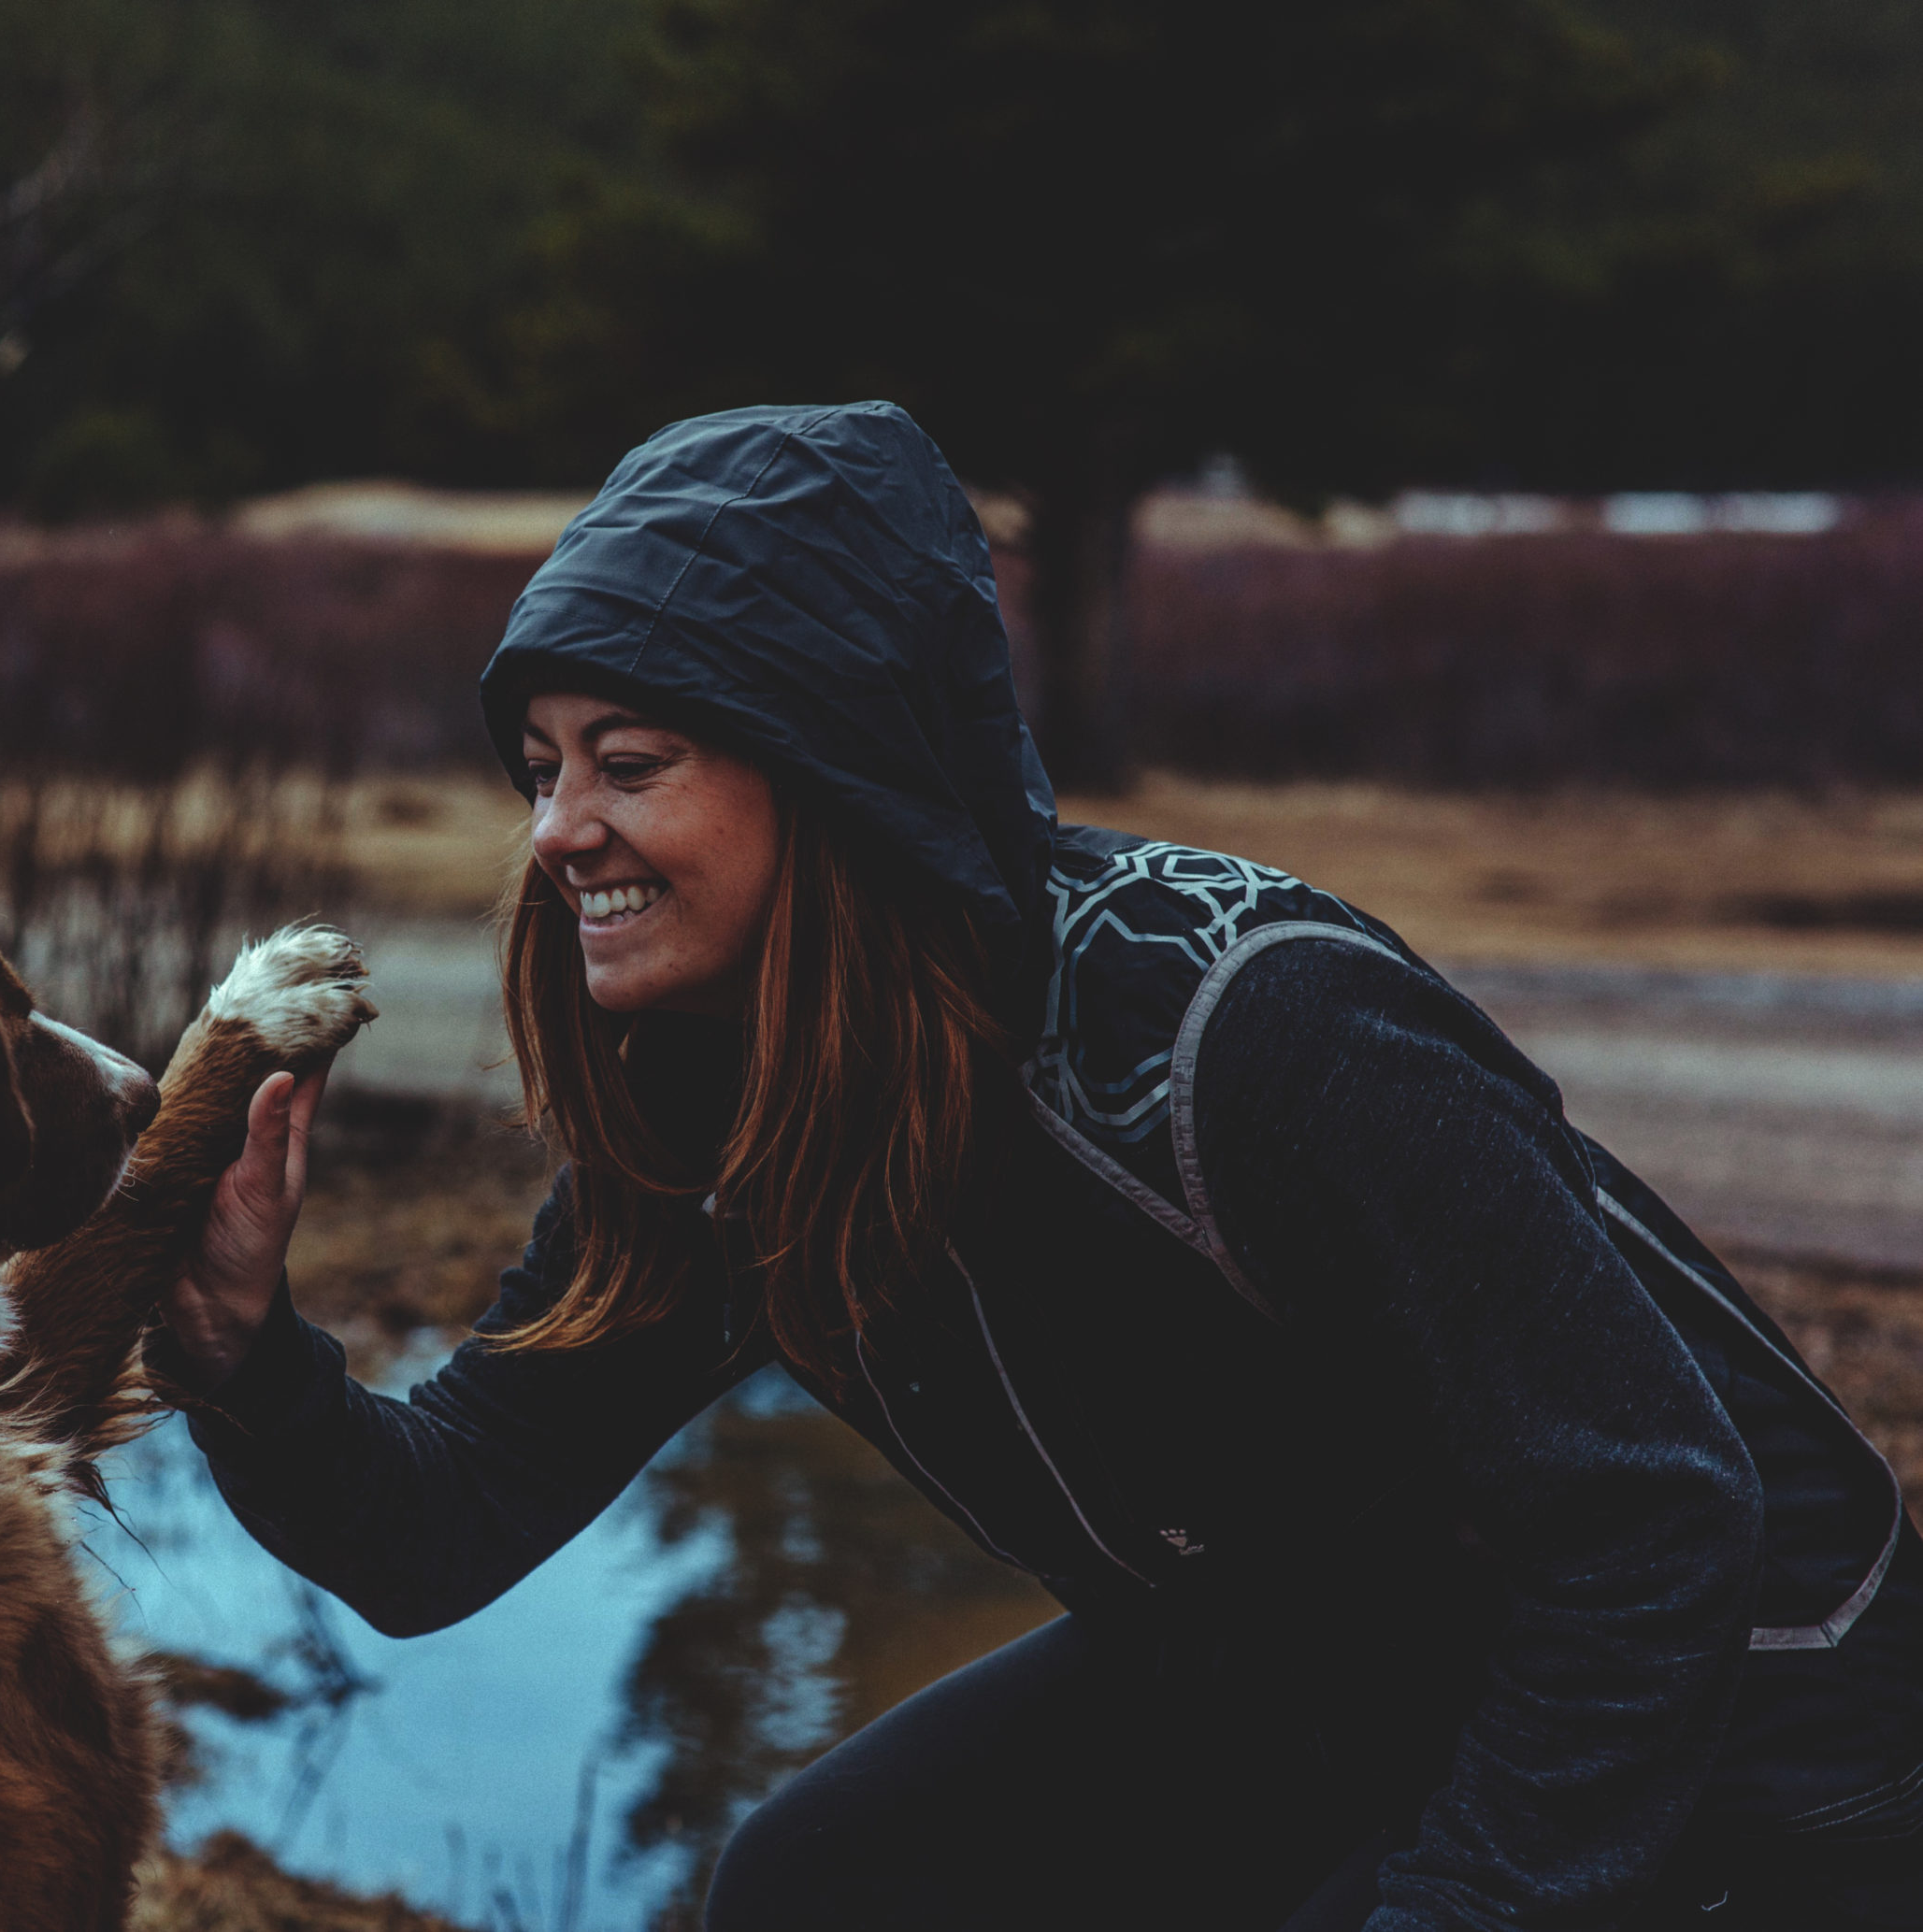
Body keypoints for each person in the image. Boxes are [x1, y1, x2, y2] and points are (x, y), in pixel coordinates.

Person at [151, 403, 1923, 1929]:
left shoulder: (1244, 1030)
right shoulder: (722, 1108)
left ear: (833, 763)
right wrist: (242, 1349)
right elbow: (442, 1520)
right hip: (1314, 1670)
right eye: (540, 770)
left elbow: (1658, 1524)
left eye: (631, 762)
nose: (557, 834)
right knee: (823, 1895)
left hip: (1745, 1746)